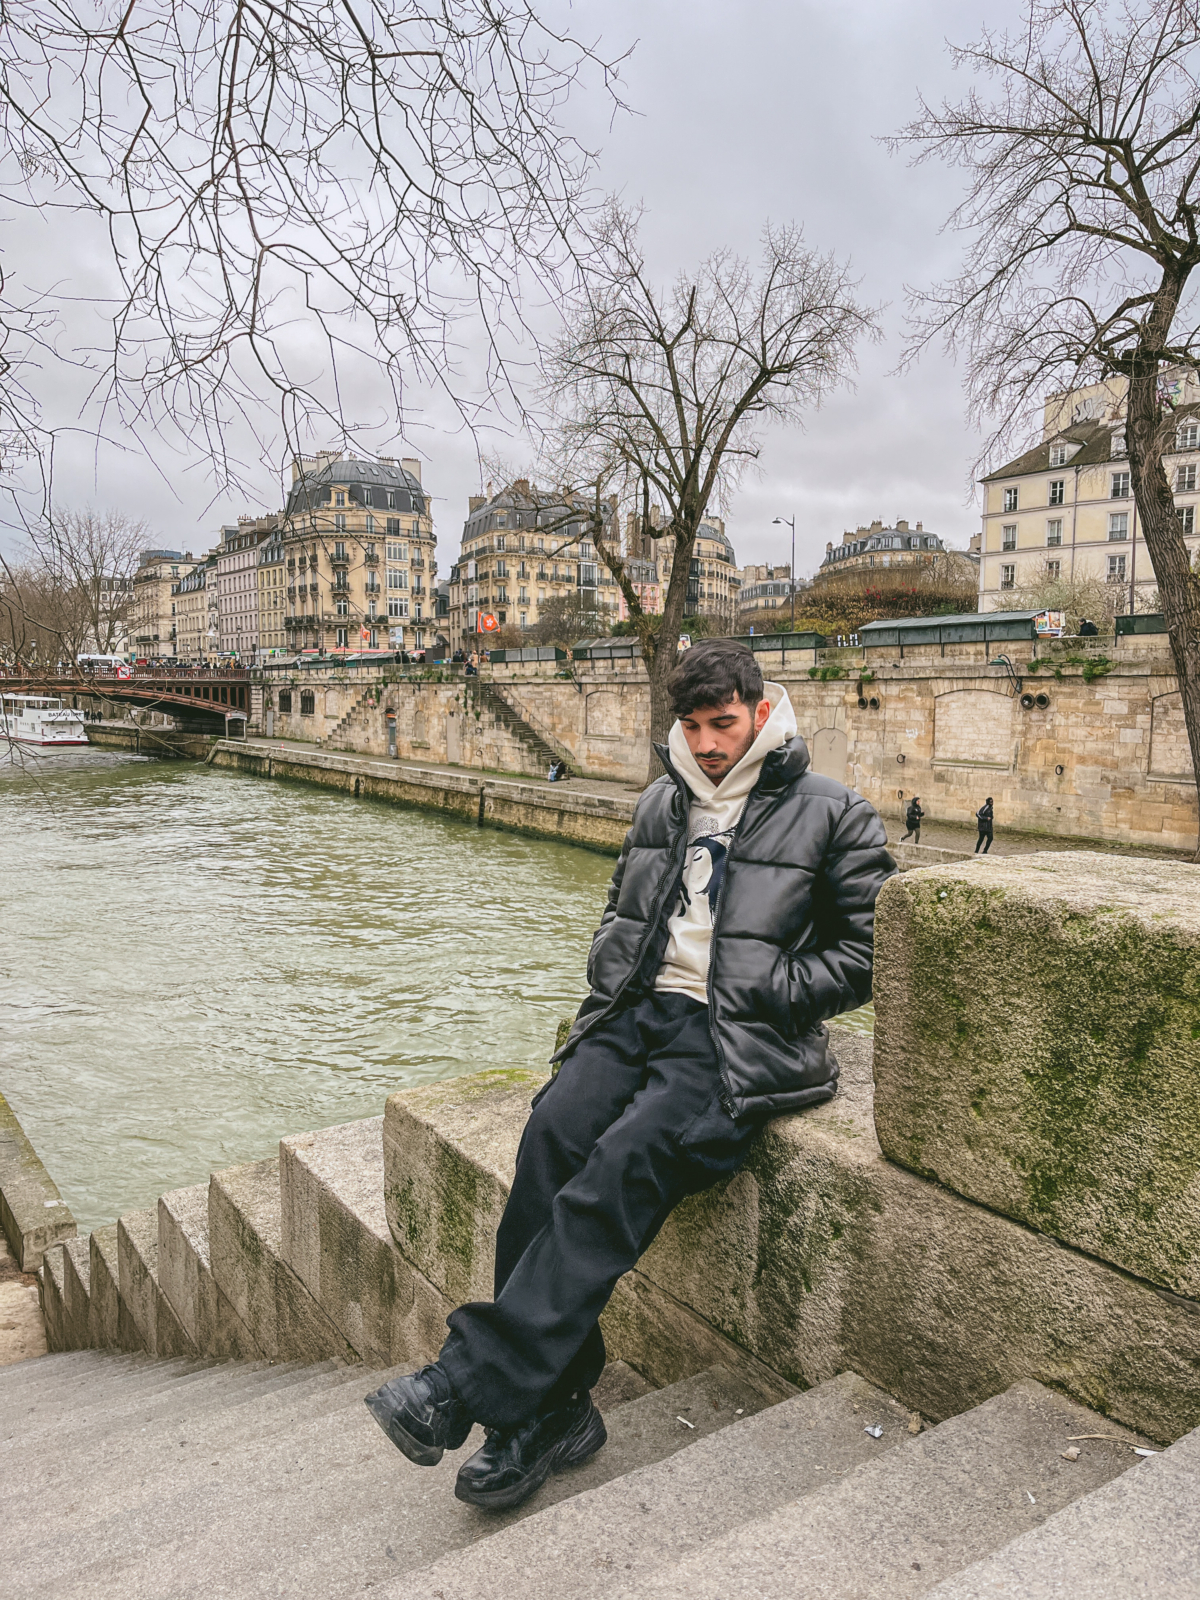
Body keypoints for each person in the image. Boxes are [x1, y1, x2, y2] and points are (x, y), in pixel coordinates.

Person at [364, 639, 895, 1514]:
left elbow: (867, 952)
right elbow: (622, 910)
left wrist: (770, 989)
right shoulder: (662, 799)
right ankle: (558, 1405)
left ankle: (473, 1391)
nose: (709, 742)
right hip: (635, 1018)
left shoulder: (833, 811)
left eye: (724, 723)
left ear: (763, 711)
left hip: (731, 1037)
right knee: (547, 1142)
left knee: (617, 1169)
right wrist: (609, 988)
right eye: (693, 726)